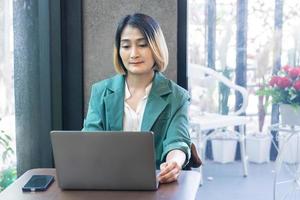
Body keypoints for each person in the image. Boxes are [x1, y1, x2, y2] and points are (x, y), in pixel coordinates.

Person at [82, 13, 191, 184]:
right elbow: (90, 139)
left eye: (142, 45)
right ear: (118, 51)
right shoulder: (101, 91)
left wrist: (174, 163)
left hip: (156, 185)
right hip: (108, 183)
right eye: (126, 46)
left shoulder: (177, 96)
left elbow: (177, 141)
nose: (133, 54)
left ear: (156, 47)